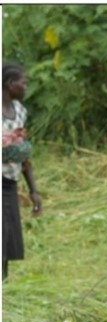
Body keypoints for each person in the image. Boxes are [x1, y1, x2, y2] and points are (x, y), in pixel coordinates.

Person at [2, 62, 43, 281]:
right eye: (23, 82)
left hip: (10, 181)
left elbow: (24, 155)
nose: (26, 87)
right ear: (9, 84)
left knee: (8, 237)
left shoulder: (19, 112)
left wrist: (33, 190)